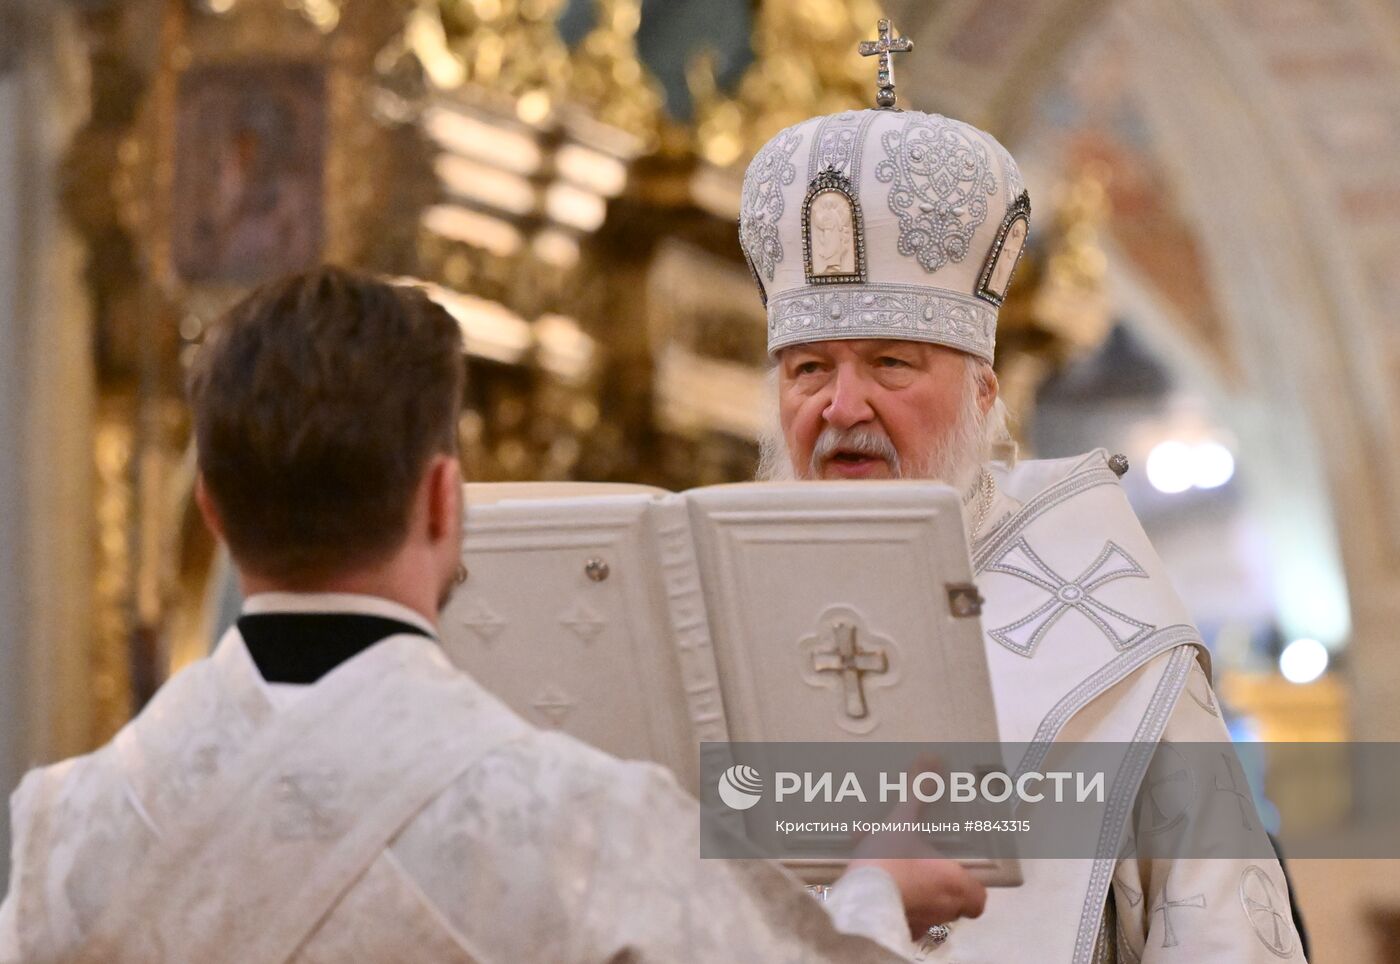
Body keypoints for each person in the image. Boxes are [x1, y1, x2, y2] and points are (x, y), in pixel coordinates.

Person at [0, 268, 986, 962]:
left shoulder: (66, 825)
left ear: (211, 511)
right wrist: (875, 895)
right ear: (443, 500)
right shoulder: (574, 819)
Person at [739, 52, 1309, 963]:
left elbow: (1223, 939)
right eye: (810, 369)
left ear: (982, 394)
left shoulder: (1116, 648)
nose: (842, 407)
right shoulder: (721, 619)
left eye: (890, 364)